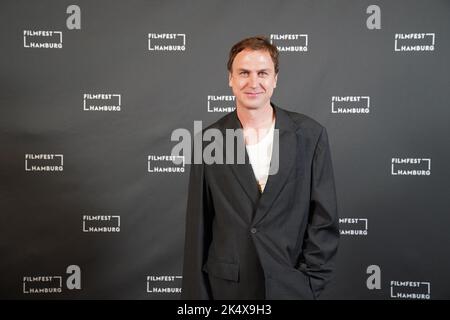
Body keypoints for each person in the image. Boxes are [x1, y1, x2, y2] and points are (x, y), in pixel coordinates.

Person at [181, 36, 339, 300]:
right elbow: (198, 227)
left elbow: (324, 218)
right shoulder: (209, 140)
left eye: (262, 73)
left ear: (275, 79)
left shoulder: (311, 136)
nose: (253, 82)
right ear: (230, 79)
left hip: (290, 287)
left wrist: (310, 283)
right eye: (244, 72)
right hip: (228, 290)